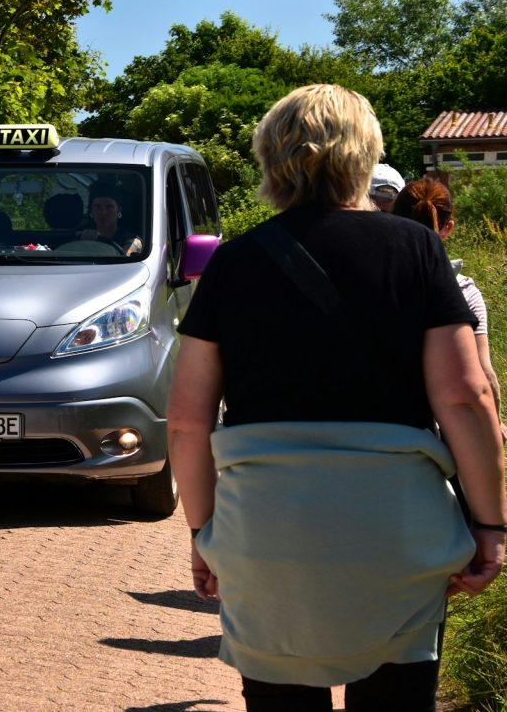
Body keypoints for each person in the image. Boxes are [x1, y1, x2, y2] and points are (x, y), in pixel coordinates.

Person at [166, 83, 506, 711]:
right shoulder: (418, 250)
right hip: (397, 532)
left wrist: (205, 533)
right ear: (364, 155)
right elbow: (466, 397)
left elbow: (187, 421)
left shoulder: (234, 264)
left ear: (271, 158)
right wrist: (490, 526)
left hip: (264, 531)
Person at [393, 177, 506, 441]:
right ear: (448, 228)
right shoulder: (464, 292)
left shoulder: (376, 282)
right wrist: (495, 422)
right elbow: (484, 375)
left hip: (390, 428)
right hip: (448, 434)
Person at [76, 182, 143, 255]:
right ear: (91, 210)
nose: (103, 212)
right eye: (98, 207)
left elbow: (123, 261)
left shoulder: (131, 240)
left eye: (109, 206)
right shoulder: (79, 235)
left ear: (119, 210)